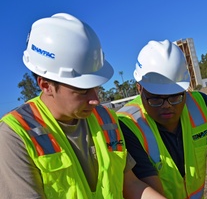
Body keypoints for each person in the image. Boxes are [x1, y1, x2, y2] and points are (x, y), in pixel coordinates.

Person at [0, 13, 165, 199]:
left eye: (96, 87)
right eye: (82, 90)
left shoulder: (106, 119)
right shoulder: (15, 136)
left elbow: (130, 183)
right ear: (46, 86)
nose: (96, 99)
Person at [117, 39, 207, 199]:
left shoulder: (202, 105)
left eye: (175, 96)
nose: (167, 106)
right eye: (156, 99)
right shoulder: (127, 124)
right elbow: (150, 188)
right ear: (139, 88)